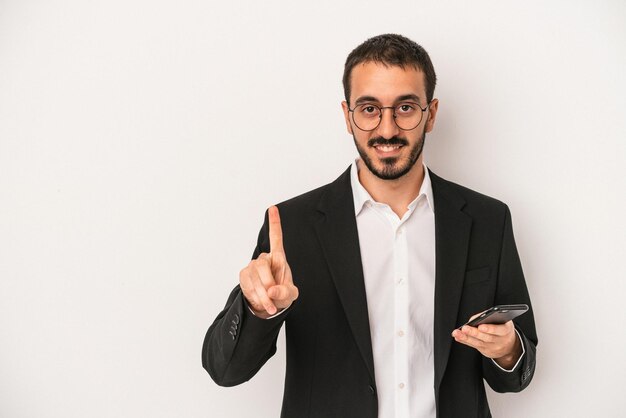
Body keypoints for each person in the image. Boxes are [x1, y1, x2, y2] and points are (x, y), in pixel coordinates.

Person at [202, 33, 537, 418]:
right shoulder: (293, 226)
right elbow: (224, 370)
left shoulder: (487, 220)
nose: (388, 129)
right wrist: (259, 310)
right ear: (348, 116)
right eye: (369, 109)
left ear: (432, 113)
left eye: (406, 107)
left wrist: (509, 350)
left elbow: (517, 372)